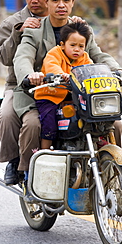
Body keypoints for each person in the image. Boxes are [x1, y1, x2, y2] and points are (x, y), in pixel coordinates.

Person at [13, 0, 122, 180]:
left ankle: (111, 170)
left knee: (114, 122)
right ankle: (30, 173)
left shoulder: (80, 29)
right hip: (43, 92)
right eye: (55, 0)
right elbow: (22, 57)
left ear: (72, 2)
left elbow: (98, 55)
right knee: (33, 124)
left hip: (78, 94)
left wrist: (118, 71)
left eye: (66, 0)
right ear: (46, 1)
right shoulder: (34, 31)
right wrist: (30, 75)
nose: (61, 5)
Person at [0, 0, 49, 185]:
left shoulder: (60, 18)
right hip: (19, 86)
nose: (34, 0)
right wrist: (18, 32)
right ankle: (13, 160)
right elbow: (5, 58)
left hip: (59, 85)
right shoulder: (12, 22)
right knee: (7, 116)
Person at [34, 21, 93, 150]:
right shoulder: (54, 53)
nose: (77, 49)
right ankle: (45, 153)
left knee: (92, 117)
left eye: (81, 46)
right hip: (50, 97)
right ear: (62, 44)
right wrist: (61, 74)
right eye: (72, 45)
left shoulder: (85, 58)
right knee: (49, 122)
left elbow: (90, 69)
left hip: (73, 98)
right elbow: (52, 66)